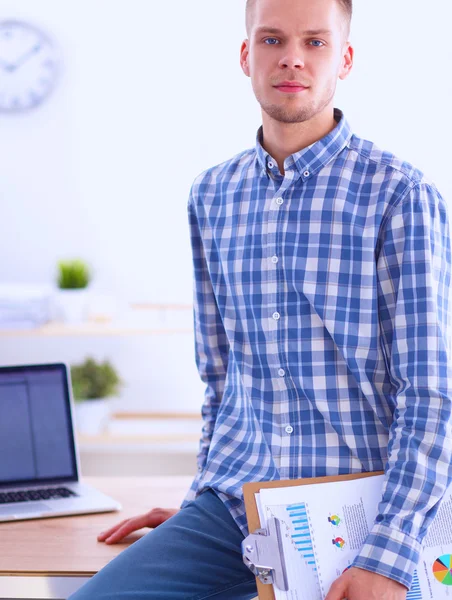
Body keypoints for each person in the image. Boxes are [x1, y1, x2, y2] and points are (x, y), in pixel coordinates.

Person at [69, 0, 452, 598]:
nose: (292, 58)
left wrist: (389, 553)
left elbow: (430, 394)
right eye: (272, 39)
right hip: (236, 508)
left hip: (363, 509)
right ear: (246, 54)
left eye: (316, 42)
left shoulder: (399, 194)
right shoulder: (211, 195)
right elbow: (219, 379)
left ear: (345, 59)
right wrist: (200, 500)